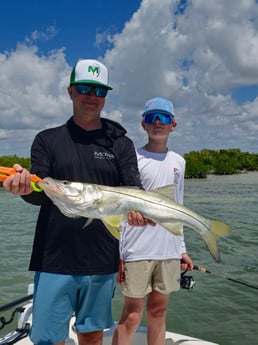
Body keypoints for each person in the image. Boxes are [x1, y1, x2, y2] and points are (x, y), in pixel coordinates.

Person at [3, 59, 149, 345]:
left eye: (99, 91)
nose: (91, 96)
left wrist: (140, 214)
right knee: (48, 339)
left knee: (92, 335)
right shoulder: (47, 140)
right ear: (71, 91)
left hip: (101, 257)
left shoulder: (120, 143)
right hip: (54, 256)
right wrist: (23, 188)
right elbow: (40, 191)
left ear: (105, 96)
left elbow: (134, 189)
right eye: (84, 88)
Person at [112, 97, 194, 345]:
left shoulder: (179, 162)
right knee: (132, 316)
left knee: (158, 312)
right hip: (137, 249)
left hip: (168, 248)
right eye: (151, 118)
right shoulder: (132, 158)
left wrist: (182, 249)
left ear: (174, 124)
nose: (157, 122)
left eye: (164, 118)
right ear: (143, 124)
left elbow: (177, 207)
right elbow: (120, 207)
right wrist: (121, 254)